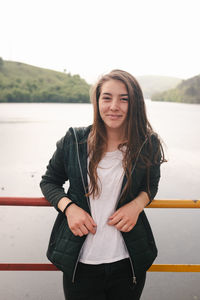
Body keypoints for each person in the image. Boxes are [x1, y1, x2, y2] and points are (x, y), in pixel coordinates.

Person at [40, 69, 165, 300]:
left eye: (124, 99)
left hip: (128, 264)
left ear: (135, 103)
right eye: (107, 97)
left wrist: (136, 205)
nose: (114, 106)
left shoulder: (147, 144)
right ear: (97, 102)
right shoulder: (74, 141)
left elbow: (152, 185)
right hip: (81, 265)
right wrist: (69, 208)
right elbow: (49, 182)